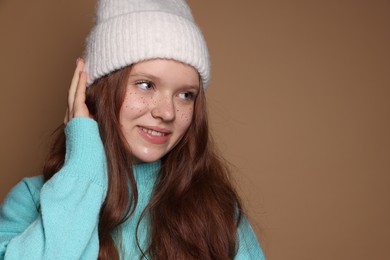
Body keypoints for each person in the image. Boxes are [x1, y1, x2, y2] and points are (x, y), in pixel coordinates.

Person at [0, 0, 265, 259]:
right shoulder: (31, 200)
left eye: (186, 94)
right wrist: (82, 165)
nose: (167, 112)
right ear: (97, 91)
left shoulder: (216, 211)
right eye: (146, 85)